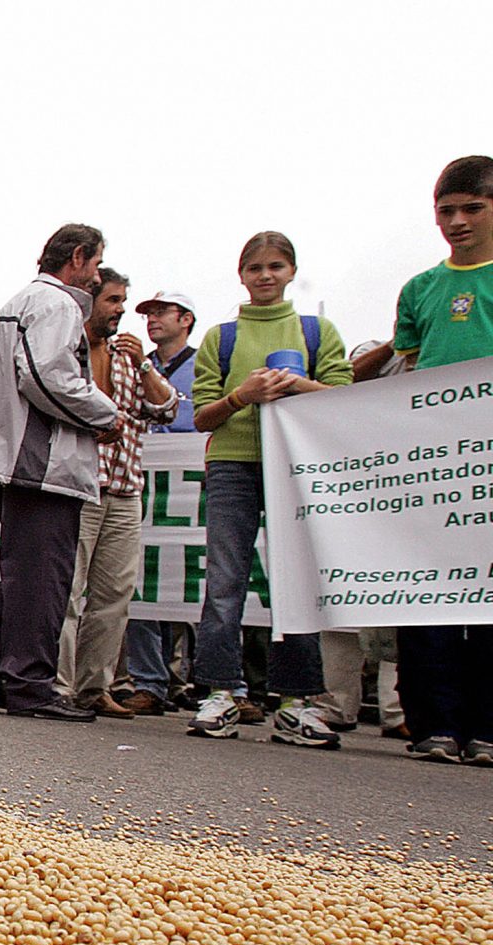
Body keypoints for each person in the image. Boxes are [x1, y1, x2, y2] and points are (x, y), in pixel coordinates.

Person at [0, 224, 118, 720]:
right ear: (78, 257)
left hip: (16, 458)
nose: (97, 274)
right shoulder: (55, 305)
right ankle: (28, 682)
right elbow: (46, 376)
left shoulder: (19, 303)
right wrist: (105, 415)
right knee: (44, 578)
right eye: (97, 262)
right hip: (40, 464)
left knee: (27, 574)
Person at [185, 231, 351, 746]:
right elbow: (202, 415)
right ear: (241, 274)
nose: (265, 276)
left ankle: (296, 700)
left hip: (293, 468)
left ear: (291, 272)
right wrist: (244, 394)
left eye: (275, 266)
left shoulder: (316, 332)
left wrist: (297, 386)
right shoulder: (221, 337)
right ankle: (218, 690)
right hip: (234, 465)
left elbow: (343, 400)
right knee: (226, 579)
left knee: (294, 582)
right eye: (255, 267)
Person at [388, 155, 493, 764]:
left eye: (471, 209)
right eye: (445, 210)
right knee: (426, 590)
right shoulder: (420, 290)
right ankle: (432, 721)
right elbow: (407, 370)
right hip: (434, 465)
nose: (456, 221)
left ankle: (485, 725)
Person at [54, 268, 176, 716]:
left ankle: (94, 687)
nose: (121, 310)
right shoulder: (68, 348)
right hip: (81, 487)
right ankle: (60, 686)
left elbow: (165, 408)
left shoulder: (130, 357)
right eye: (113, 301)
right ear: (91, 302)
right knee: (68, 591)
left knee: (114, 595)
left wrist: (144, 363)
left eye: (124, 301)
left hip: (126, 489)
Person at [120, 289, 201, 714]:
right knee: (143, 583)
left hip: (189, 490)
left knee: (192, 584)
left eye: (161, 312)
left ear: (185, 318)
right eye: (147, 313)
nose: (152, 320)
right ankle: (149, 680)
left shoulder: (204, 363)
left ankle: (202, 677)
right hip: (146, 483)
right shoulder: (138, 366)